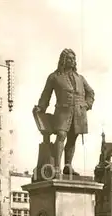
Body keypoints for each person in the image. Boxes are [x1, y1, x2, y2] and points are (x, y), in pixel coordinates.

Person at [36, 48, 95, 176]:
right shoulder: (54, 77)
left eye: (74, 59)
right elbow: (46, 94)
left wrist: (86, 104)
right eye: (70, 58)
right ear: (63, 60)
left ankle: (68, 166)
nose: (73, 61)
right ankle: (57, 167)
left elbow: (91, 93)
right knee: (61, 135)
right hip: (63, 112)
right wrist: (41, 107)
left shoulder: (80, 78)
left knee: (73, 139)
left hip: (79, 114)